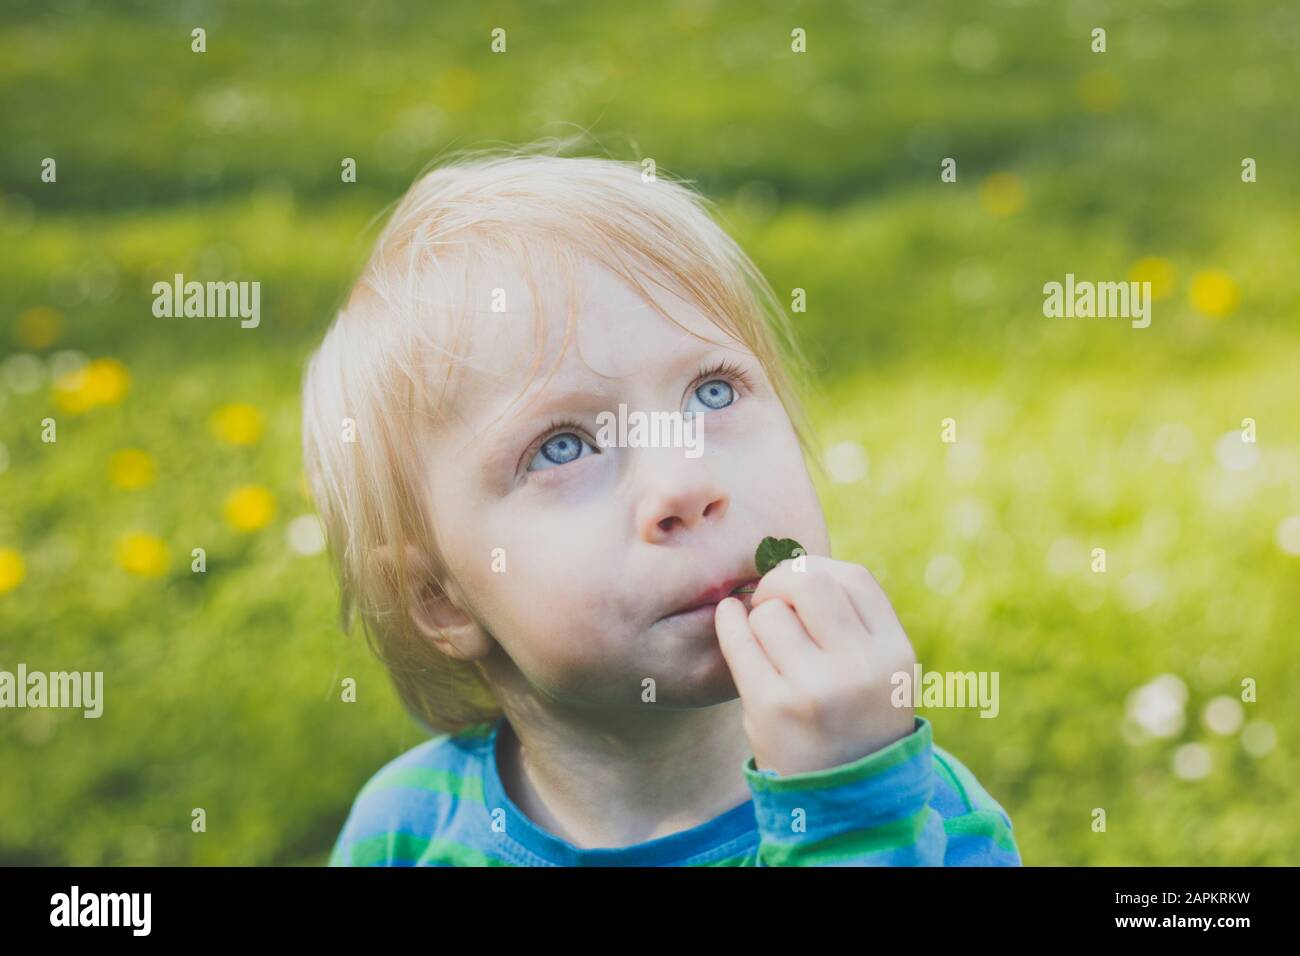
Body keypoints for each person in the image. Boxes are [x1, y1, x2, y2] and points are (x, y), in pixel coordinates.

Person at [303, 142, 1021, 866]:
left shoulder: (921, 824)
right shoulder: (407, 833)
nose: (686, 481)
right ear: (440, 601)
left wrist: (845, 821)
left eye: (712, 391)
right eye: (561, 446)